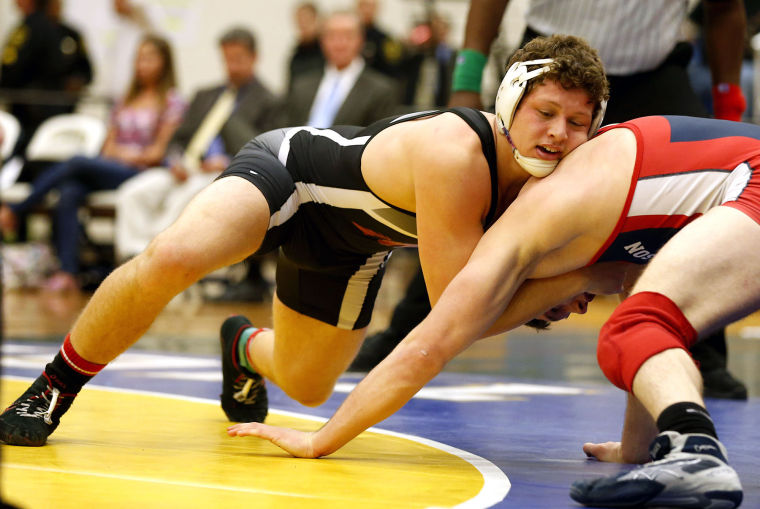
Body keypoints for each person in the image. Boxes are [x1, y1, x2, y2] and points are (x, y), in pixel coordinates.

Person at [0, 34, 609, 445]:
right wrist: (561, 288)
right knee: (177, 254)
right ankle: (54, 385)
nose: (558, 134)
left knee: (307, 383)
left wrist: (550, 289)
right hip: (293, 173)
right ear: (508, 103)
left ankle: (242, 346)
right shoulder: (458, 154)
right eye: (546, 112)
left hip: (353, 243)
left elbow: (487, 298)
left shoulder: (549, 185)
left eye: (577, 122)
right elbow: (458, 307)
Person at [355, 0, 750, 401]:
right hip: (549, 61)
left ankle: (704, 355)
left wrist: (728, 101)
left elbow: (725, 9)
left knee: (702, 194)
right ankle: (411, 331)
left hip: (653, 71)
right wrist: (467, 74)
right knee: (489, 195)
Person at [0, 34, 184, 292]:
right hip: (114, 167)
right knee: (70, 190)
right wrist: (122, 152)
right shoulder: (127, 98)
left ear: (165, 63)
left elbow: (156, 153)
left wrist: (124, 154)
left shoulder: (172, 102)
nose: (143, 64)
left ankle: (18, 209)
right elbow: (107, 145)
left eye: (150, 58)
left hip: (143, 174)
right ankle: (68, 273)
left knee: (76, 162)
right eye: (140, 58)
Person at [114, 27, 284, 265]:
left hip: (222, 174)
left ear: (255, 58)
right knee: (133, 193)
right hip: (183, 169)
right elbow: (178, 138)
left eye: (238, 59)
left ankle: (154, 261)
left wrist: (226, 162)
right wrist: (175, 160)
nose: (232, 66)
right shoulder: (205, 95)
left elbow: (265, 151)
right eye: (227, 59)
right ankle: (130, 258)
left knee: (183, 199)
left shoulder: (270, 101)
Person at [0, 0, 93, 157]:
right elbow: (8, 71)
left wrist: (76, 83)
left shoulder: (70, 33)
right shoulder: (27, 29)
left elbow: (87, 73)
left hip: (61, 112)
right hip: (26, 116)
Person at [286, 10, 400, 128]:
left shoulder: (380, 91)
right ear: (322, 40)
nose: (340, 43)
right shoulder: (301, 86)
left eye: (348, 36)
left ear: (361, 40)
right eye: (332, 36)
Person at [286, 2, 325, 94]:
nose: (303, 25)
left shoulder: (327, 53)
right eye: (300, 21)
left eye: (307, 20)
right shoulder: (295, 56)